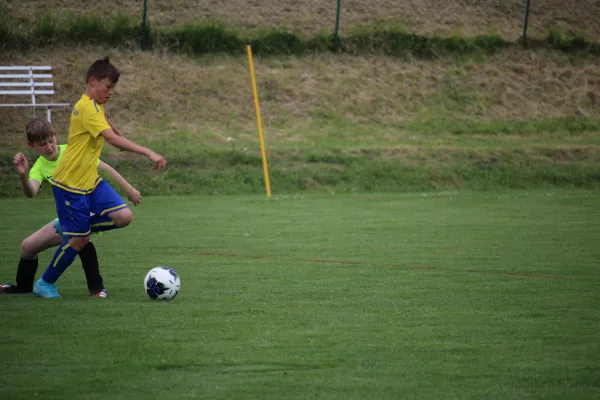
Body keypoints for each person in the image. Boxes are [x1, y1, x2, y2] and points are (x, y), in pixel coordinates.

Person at [33, 56, 167, 298]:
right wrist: (148, 151)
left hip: (90, 180)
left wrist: (117, 134)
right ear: (92, 81)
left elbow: (108, 128)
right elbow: (112, 139)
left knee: (124, 216)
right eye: (108, 87)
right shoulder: (85, 107)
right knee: (79, 240)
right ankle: (44, 283)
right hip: (70, 184)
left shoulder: (96, 106)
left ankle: (72, 227)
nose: (111, 92)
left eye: (113, 88)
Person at [0, 118, 142, 297]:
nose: (49, 147)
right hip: (68, 217)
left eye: (50, 141)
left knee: (81, 235)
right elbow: (31, 192)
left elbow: (104, 167)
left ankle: (97, 289)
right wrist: (23, 175)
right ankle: (23, 288)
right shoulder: (40, 166)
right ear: (31, 145)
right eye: (42, 145)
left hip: (84, 213)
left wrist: (129, 190)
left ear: (55, 135)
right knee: (27, 247)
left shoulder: (72, 151)